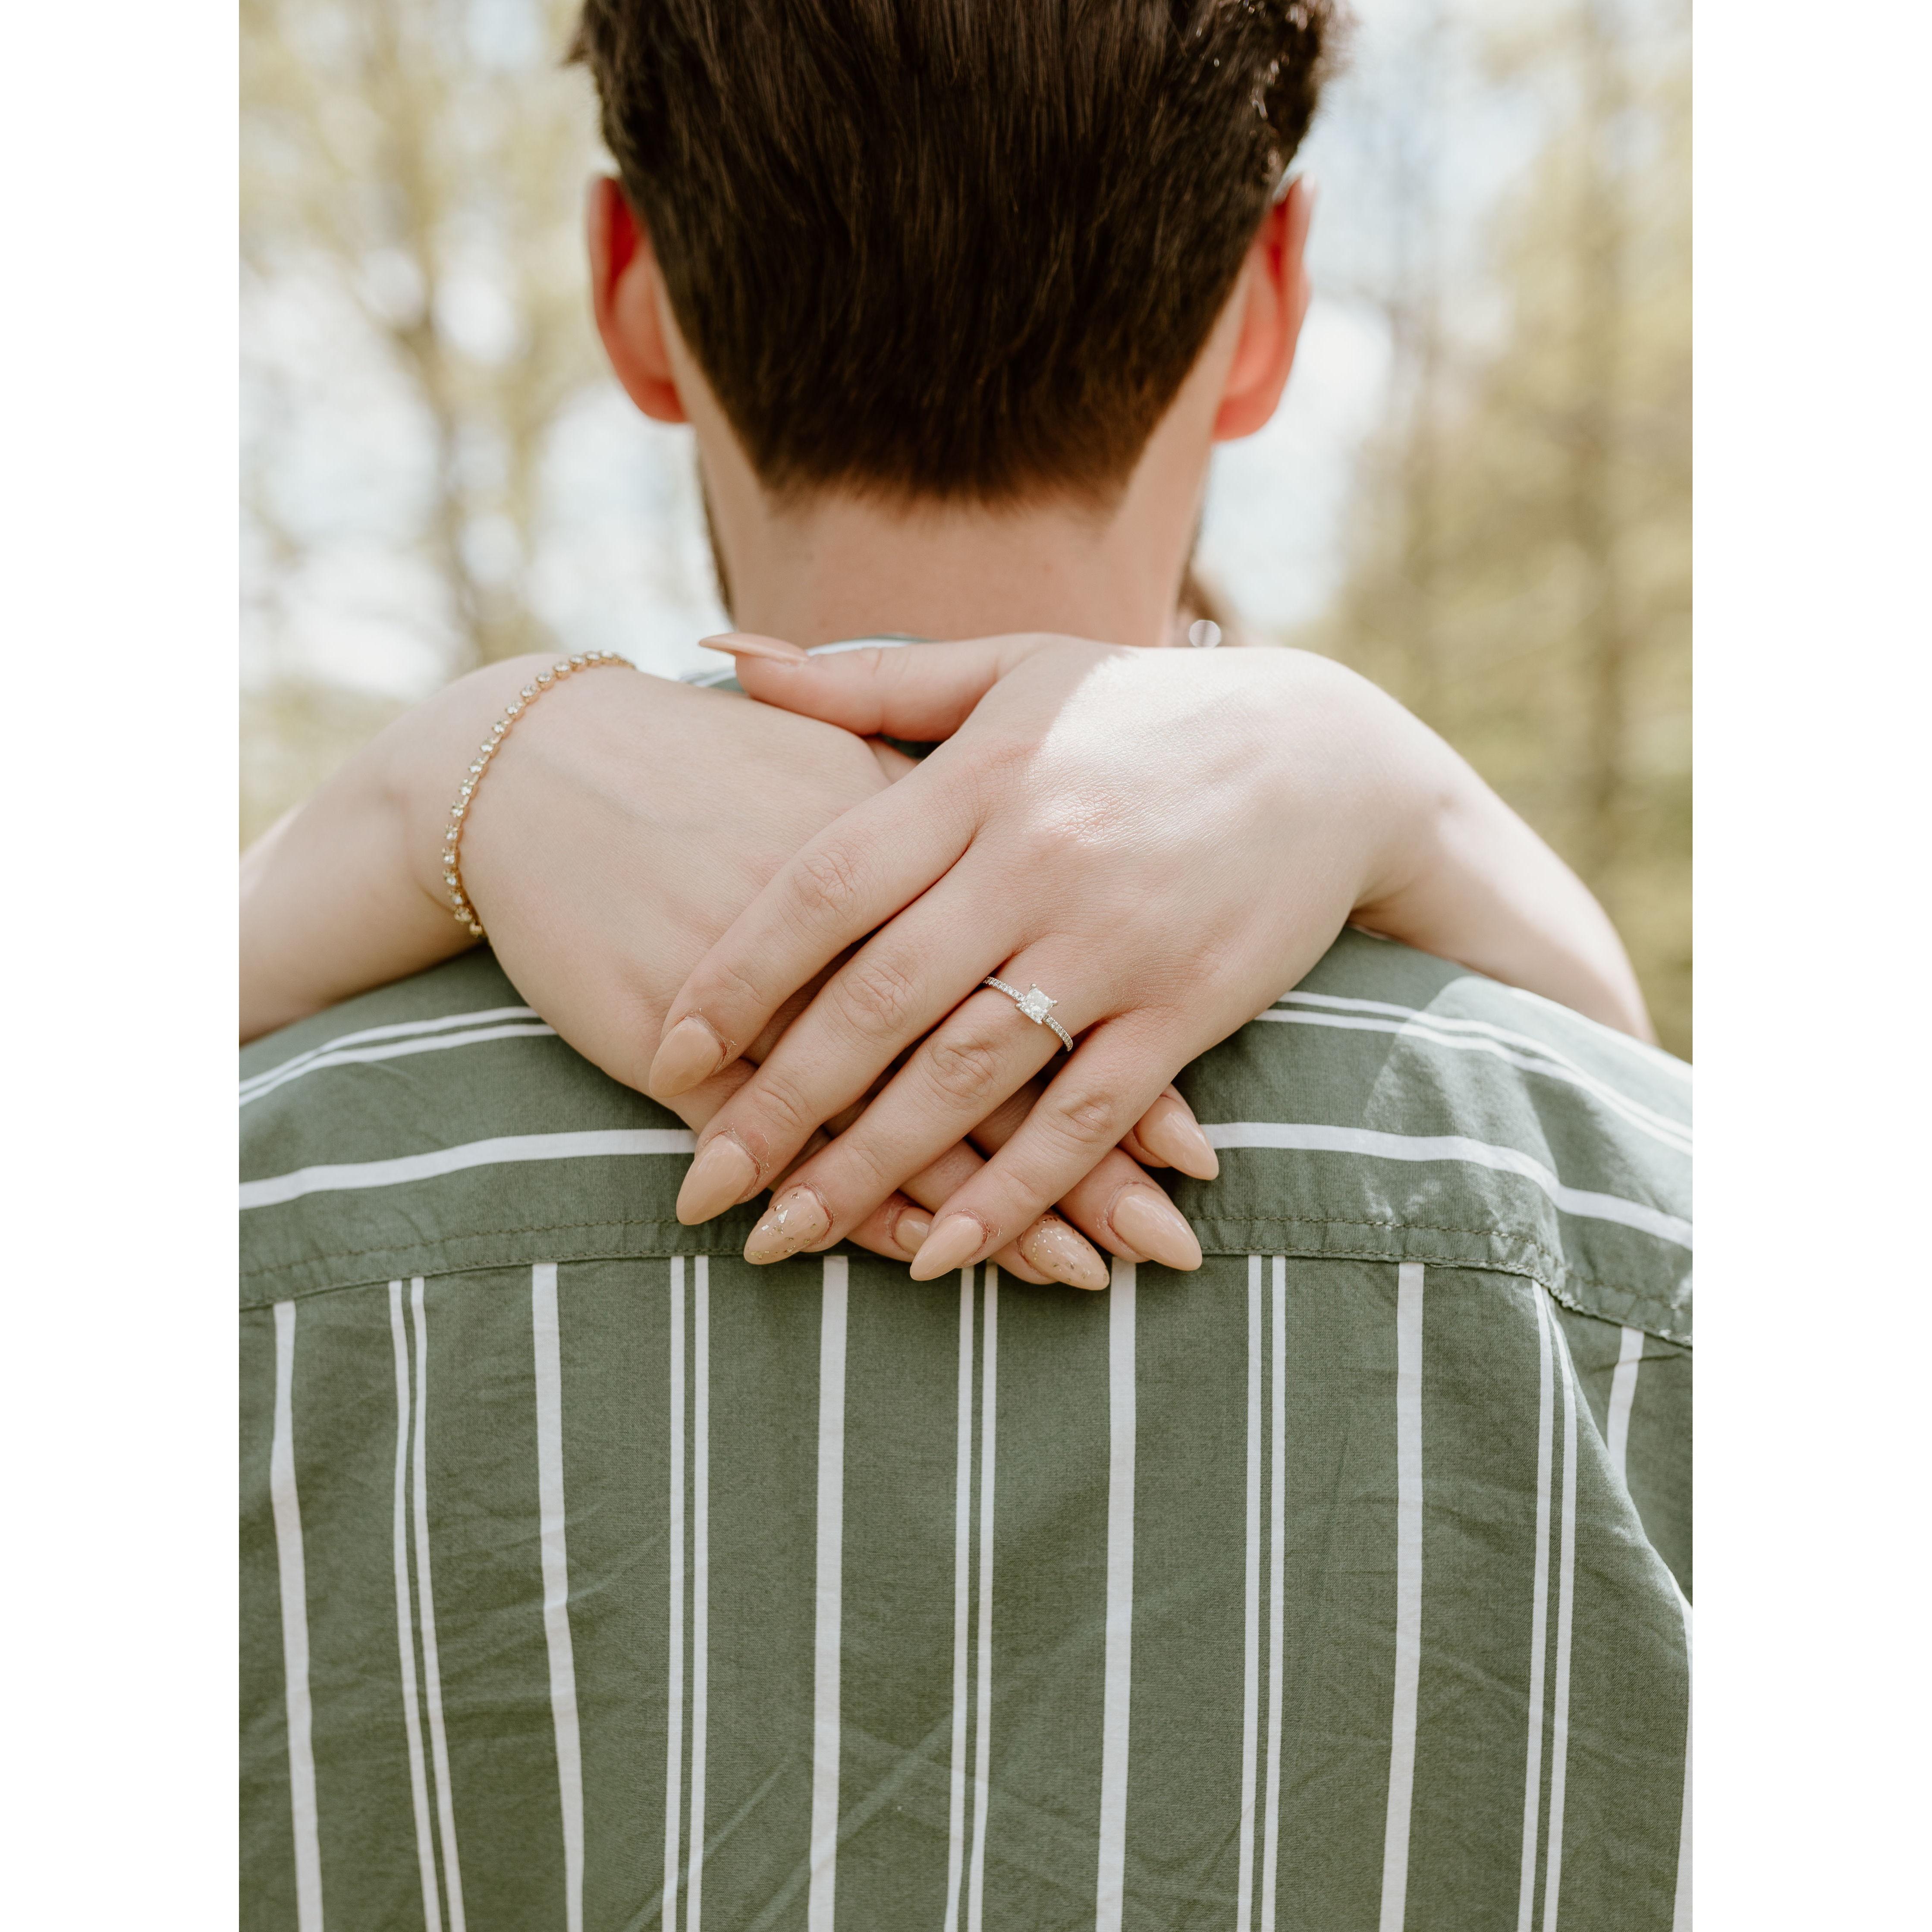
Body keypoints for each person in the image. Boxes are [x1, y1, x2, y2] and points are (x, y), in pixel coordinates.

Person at [241, 2, 1690, 1925]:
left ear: (631, 293)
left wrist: (429, 783)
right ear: (1270, 303)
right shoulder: (1668, 1240)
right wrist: (1421, 812)